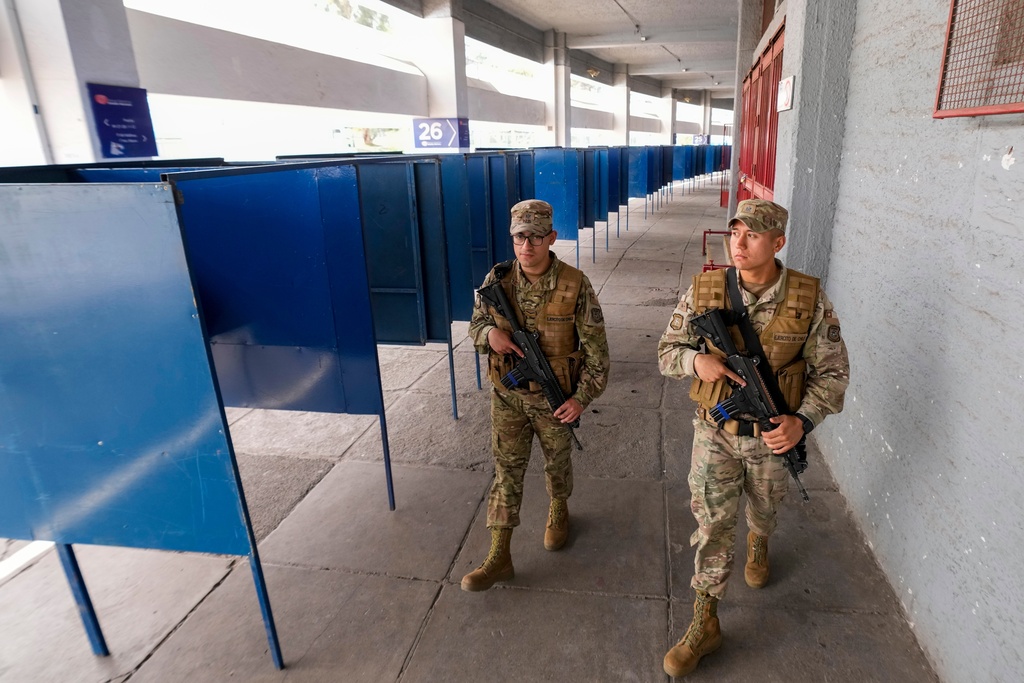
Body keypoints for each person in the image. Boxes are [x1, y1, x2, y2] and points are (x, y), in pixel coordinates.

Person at [657, 199, 850, 677]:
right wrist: (696, 362)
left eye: (753, 235)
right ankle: (705, 621)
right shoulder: (705, 289)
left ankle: (760, 539)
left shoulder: (808, 298)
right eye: (734, 232)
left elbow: (833, 374)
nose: (738, 244)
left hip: (771, 439)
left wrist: (801, 421)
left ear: (778, 242)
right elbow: (667, 350)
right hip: (715, 431)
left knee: (763, 507)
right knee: (712, 524)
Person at [462, 198, 610, 592]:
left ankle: (559, 507)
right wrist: (489, 335)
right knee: (506, 468)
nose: (526, 246)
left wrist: (580, 398)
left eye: (535, 237)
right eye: (519, 237)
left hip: (555, 399)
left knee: (557, 462)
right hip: (507, 396)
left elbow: (598, 354)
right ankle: (499, 553)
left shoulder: (575, 284)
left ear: (552, 238)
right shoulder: (496, 281)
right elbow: (476, 322)